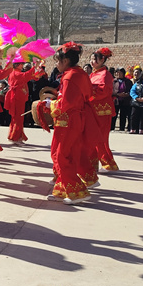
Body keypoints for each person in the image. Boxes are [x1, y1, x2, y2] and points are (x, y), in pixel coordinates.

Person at [45, 42, 94, 204]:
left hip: (68, 121)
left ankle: (77, 191)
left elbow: (65, 103)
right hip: (75, 119)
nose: (56, 64)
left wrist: (49, 104)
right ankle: (63, 190)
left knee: (62, 156)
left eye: (57, 61)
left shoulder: (69, 77)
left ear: (65, 61)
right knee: (67, 154)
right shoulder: (80, 74)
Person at [85, 48, 119, 172]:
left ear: (102, 60)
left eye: (95, 59)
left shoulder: (105, 75)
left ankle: (106, 164)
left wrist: (88, 93)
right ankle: (98, 164)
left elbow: (103, 92)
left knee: (100, 138)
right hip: (93, 110)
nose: (92, 62)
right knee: (93, 137)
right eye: (91, 59)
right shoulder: (94, 74)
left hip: (102, 111)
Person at [5, 61, 44, 144]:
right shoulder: (15, 73)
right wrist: (35, 66)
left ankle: (16, 136)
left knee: (18, 117)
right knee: (18, 117)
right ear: (17, 65)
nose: (22, 65)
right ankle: (15, 137)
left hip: (19, 97)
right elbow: (26, 75)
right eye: (21, 64)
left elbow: (32, 76)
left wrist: (38, 67)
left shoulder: (18, 73)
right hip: (17, 97)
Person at [112, 68, 133, 132]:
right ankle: (112, 128)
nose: (118, 74)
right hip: (116, 100)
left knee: (123, 115)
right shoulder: (113, 81)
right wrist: (117, 94)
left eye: (120, 73)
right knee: (114, 115)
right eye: (117, 72)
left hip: (125, 101)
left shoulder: (128, 81)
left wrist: (126, 94)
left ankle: (122, 128)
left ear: (123, 73)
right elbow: (110, 90)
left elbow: (131, 90)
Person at [130, 66, 143, 134]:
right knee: (134, 116)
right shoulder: (137, 84)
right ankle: (133, 129)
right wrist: (137, 98)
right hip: (136, 102)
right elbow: (132, 92)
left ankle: (141, 129)